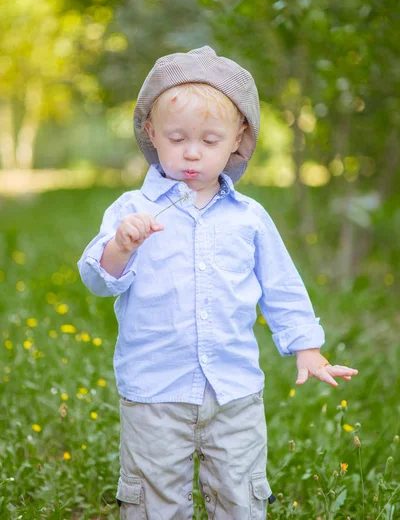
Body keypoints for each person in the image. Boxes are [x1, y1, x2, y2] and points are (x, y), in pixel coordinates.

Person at [77, 46, 358, 520]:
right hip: (154, 390)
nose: (191, 152)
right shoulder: (132, 210)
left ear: (237, 139)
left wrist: (306, 347)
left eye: (209, 141)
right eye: (177, 137)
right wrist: (121, 248)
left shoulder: (248, 217)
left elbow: (280, 285)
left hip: (234, 390)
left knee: (240, 494)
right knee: (152, 497)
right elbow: (98, 280)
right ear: (151, 133)